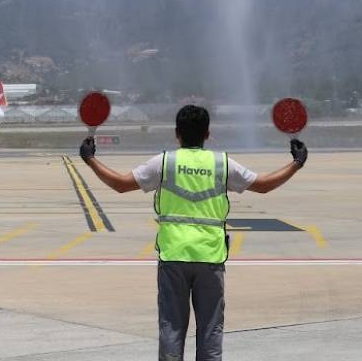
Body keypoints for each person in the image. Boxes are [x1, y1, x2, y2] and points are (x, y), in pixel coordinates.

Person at [79, 104, 307, 361]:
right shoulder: (221, 164)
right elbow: (263, 185)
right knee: (210, 331)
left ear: (177, 133)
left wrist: (91, 159)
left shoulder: (165, 162)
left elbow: (121, 184)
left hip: (173, 256)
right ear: (207, 134)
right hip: (210, 257)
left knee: (171, 329)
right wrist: (296, 163)